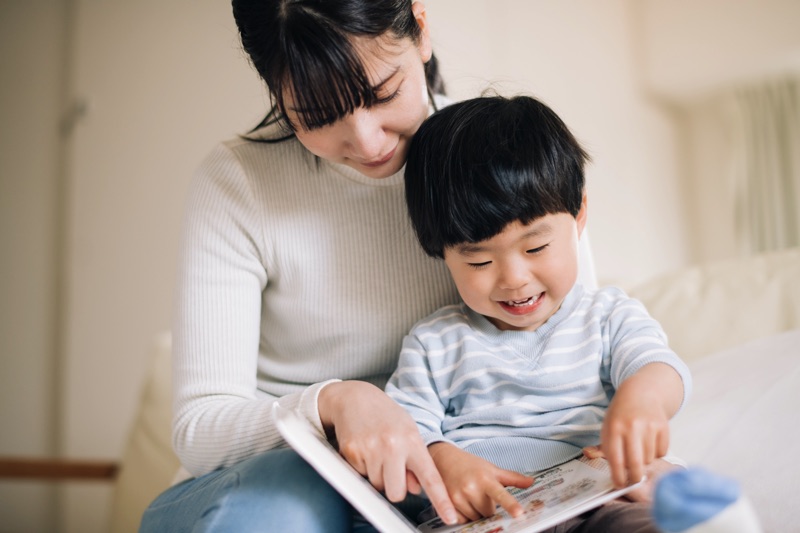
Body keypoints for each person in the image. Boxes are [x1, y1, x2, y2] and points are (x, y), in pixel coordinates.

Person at [140, 1, 465, 531]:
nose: (367, 142)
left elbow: (577, 346)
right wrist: (331, 405)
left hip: (438, 475)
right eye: (317, 116)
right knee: (281, 510)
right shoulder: (238, 183)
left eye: (384, 93)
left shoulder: (504, 151)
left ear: (421, 30)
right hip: (265, 488)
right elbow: (199, 428)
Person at [384, 95, 693, 530]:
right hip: (486, 517)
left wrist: (642, 399)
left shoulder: (606, 314)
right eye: (478, 262)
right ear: (440, 252)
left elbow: (659, 366)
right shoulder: (435, 342)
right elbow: (402, 431)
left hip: (599, 499)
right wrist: (443, 460)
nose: (513, 278)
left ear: (579, 214)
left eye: (536, 248)